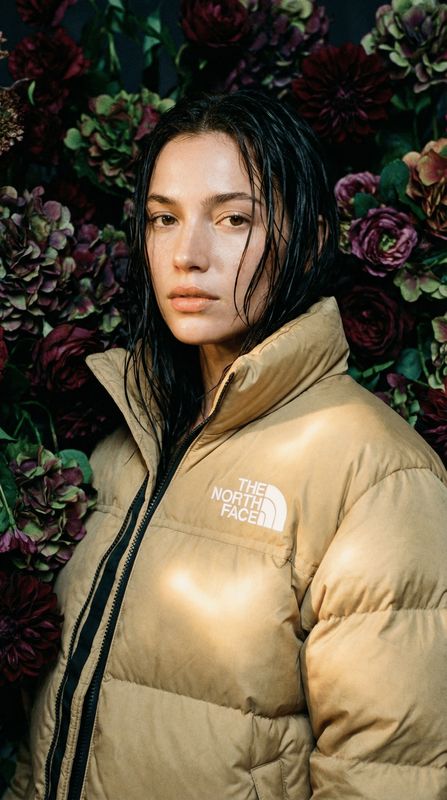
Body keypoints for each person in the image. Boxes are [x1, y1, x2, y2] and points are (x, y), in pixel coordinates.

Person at [5, 91, 447, 800]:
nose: (188, 254)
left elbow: (388, 778)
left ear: (306, 237)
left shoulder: (376, 475)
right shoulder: (127, 446)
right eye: (163, 219)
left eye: (233, 219)